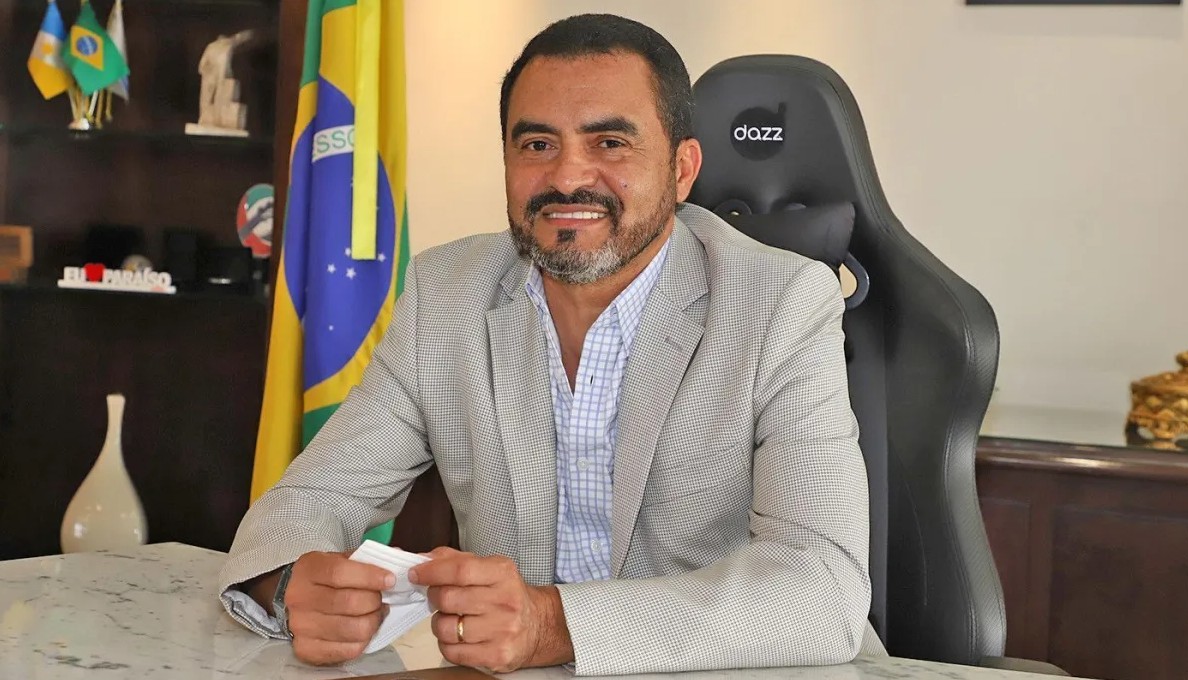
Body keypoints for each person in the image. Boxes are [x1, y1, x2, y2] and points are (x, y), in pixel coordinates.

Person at [218, 13, 883, 676]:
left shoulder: (781, 304)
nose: (567, 177)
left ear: (682, 170)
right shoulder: (445, 296)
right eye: (537, 144)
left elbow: (822, 588)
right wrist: (291, 584)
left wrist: (555, 624)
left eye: (610, 143)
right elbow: (307, 502)